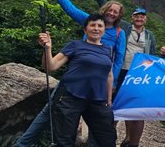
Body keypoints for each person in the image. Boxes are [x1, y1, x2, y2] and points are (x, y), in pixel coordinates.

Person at [14, 0, 126, 147]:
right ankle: (22, 144)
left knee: (102, 130)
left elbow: (118, 60)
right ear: (86, 28)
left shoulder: (119, 33)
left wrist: (111, 88)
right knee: (50, 112)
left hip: (97, 86)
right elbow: (71, 9)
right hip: (74, 81)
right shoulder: (85, 28)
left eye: (115, 12)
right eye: (109, 10)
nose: (111, 13)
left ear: (118, 16)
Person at [92, 0, 157, 147]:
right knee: (115, 103)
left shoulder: (150, 36)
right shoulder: (125, 28)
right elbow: (110, 16)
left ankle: (130, 140)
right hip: (121, 71)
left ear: (145, 19)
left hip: (139, 74)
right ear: (133, 17)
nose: (139, 18)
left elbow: (153, 56)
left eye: (142, 16)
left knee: (133, 105)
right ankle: (108, 138)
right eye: (137, 16)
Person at [38, 13, 117, 147]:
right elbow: (51, 66)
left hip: (97, 100)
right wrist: (48, 48)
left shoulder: (108, 50)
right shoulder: (75, 45)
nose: (96, 28)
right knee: (65, 140)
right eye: (92, 25)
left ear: (104, 30)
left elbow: (109, 75)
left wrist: (109, 100)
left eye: (100, 26)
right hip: (71, 96)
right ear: (85, 29)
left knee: (107, 138)